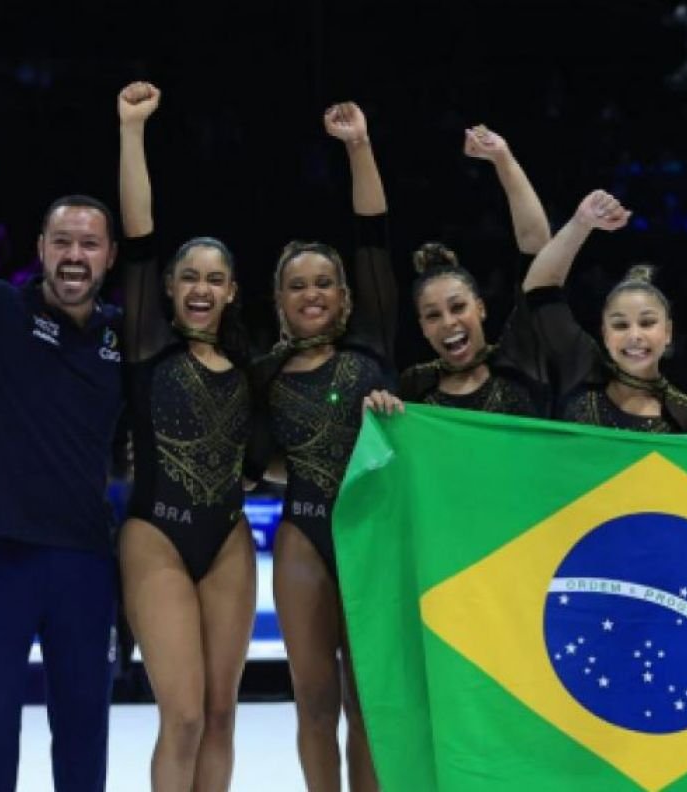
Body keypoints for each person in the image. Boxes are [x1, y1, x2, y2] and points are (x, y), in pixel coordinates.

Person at [0, 137, 124, 791]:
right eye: (63, 242)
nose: (75, 255)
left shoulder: (122, 337)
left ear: (110, 256)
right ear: (41, 249)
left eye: (88, 244)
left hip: (82, 564)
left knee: (84, 729)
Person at [248, 100, 395, 792]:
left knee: (368, 702)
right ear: (280, 299)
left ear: (344, 295)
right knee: (313, 701)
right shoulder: (265, 374)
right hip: (305, 533)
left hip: (372, 533)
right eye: (297, 285)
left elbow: (370, 233)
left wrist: (358, 146)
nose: (312, 294)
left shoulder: (370, 346)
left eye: (323, 283)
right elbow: (252, 458)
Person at [116, 81, 256, 791]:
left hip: (228, 536)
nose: (201, 288)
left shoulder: (252, 368)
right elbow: (138, 235)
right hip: (157, 536)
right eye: (188, 278)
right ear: (170, 289)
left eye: (216, 279)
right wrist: (132, 129)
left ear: (232, 291)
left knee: (223, 715)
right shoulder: (145, 344)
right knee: (185, 717)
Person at [522, 189, 687, 450]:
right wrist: (580, 223)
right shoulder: (580, 370)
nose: (634, 335)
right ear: (605, 334)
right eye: (620, 325)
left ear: (667, 332)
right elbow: (539, 290)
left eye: (647, 322)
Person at [398, 125, 552, 415]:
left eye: (458, 307)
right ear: (422, 327)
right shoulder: (415, 386)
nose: (448, 322)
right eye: (433, 315)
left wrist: (502, 158)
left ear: (480, 308)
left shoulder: (518, 358)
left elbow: (538, 249)